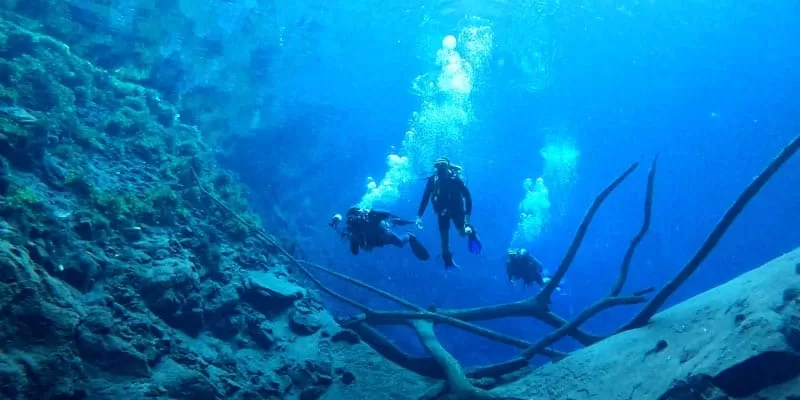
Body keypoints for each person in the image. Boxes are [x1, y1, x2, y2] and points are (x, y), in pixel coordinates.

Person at [415, 157, 482, 269]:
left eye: (443, 166)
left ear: (448, 168)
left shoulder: (455, 180)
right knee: (444, 242)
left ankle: (471, 232)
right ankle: (448, 261)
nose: (441, 169)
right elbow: (425, 198)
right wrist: (419, 216)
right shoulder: (433, 180)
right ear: (435, 168)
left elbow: (467, 197)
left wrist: (467, 218)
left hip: (457, 210)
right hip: (442, 212)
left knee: (462, 233)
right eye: (438, 166)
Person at [329, 207, 429, 260]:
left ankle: (409, 235)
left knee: (400, 243)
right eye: (350, 218)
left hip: (384, 236)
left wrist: (373, 212)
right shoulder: (353, 233)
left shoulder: (369, 219)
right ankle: (402, 225)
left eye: (354, 216)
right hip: (379, 240)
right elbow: (355, 251)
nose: (352, 220)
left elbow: (387, 213)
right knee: (400, 242)